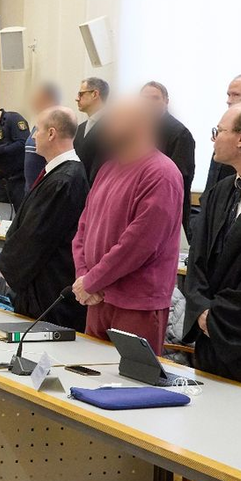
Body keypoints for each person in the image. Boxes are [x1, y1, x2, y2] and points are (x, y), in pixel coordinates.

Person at [177, 101, 241, 481]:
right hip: (214, 334)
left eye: (219, 130)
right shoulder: (223, 188)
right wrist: (202, 309)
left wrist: (217, 316)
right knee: (225, 442)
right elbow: (198, 260)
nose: (214, 137)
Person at [71, 96, 183, 351]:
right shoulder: (107, 169)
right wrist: (83, 278)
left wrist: (91, 281)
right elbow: (83, 229)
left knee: (131, 376)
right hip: (96, 298)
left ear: (142, 125)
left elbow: (139, 244)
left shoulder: (161, 174)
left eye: (116, 119)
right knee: (88, 370)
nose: (107, 125)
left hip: (136, 304)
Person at [0, 106, 88, 332]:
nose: (33, 136)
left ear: (52, 133)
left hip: (50, 289)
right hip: (39, 283)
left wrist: (8, 266)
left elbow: (37, 234)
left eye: (37, 130)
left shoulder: (65, 179)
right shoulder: (58, 174)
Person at [140, 80, 197, 235]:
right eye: (145, 98)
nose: (149, 103)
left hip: (167, 208)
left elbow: (180, 177)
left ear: (166, 102)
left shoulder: (179, 133)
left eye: (154, 98)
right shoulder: (139, 129)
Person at [202, 73, 241, 194]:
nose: (229, 101)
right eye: (228, 95)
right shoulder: (227, 132)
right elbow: (212, 181)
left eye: (236, 95)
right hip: (223, 198)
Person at [23, 82, 61, 190]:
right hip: (31, 189)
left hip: (43, 188)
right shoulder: (39, 123)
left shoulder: (55, 123)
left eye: (37, 98)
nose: (33, 102)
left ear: (47, 99)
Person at [73, 76, 110, 183]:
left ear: (95, 94)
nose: (77, 98)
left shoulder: (111, 128)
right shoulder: (80, 128)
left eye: (81, 94)